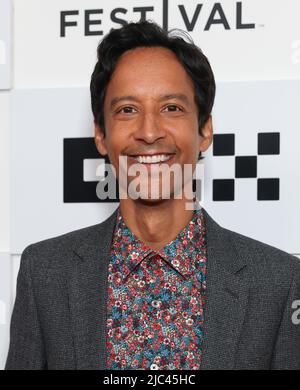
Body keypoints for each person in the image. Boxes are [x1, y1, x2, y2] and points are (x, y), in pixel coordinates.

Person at [5, 20, 300, 370]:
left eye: (171, 107)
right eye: (127, 110)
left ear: (205, 129)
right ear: (100, 134)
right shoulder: (45, 273)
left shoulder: (278, 282)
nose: (148, 132)